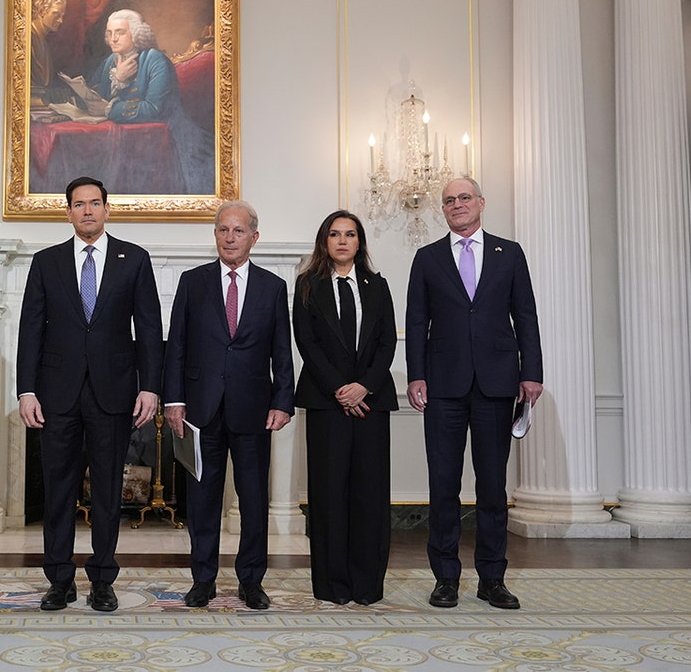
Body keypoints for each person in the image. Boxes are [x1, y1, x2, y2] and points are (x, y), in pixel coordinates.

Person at [17, 176, 163, 612]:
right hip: (56, 395)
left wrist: (150, 386)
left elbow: (149, 328)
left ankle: (102, 579)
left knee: (107, 491)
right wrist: (26, 390)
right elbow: (30, 329)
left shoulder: (134, 259)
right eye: (79, 204)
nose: (87, 211)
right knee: (58, 491)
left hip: (113, 393)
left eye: (94, 203)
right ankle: (59, 580)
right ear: (68, 212)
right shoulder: (46, 262)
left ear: (106, 209)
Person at [405, 177, 543, 610]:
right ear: (443, 209)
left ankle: (492, 579)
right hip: (443, 385)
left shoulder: (509, 253)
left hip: (497, 384)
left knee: (493, 486)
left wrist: (532, 373)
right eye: (449, 200)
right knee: (443, 484)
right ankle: (445, 578)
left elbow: (526, 315)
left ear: (481, 202)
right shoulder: (427, 258)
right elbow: (416, 321)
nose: (457, 204)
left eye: (464, 198)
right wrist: (416, 375)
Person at [164, 200, 294, 610]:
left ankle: (251, 582)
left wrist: (283, 401)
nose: (230, 238)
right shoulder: (193, 282)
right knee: (202, 501)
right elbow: (177, 345)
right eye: (223, 230)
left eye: (238, 231)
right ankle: (202, 580)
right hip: (200, 410)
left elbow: (282, 351)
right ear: (215, 235)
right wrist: (174, 400)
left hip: (254, 410)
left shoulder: (273, 287)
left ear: (254, 237)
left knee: (253, 500)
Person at [293, 210, 397, 606]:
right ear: (325, 241)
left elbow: (387, 341)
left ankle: (367, 586)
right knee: (329, 494)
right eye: (335, 234)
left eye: (350, 234)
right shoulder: (308, 285)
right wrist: (340, 389)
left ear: (359, 242)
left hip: (371, 403)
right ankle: (332, 586)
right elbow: (306, 342)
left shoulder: (377, 285)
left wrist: (363, 387)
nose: (342, 241)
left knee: (369, 495)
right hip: (326, 403)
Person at [89, 9, 215, 195]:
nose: (113, 38)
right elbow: (95, 96)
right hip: (130, 141)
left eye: (120, 32)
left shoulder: (155, 60)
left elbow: (153, 109)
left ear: (136, 33)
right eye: (110, 33)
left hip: (171, 141)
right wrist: (118, 78)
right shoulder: (110, 61)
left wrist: (109, 109)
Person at [30, 0, 69, 106]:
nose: (60, 21)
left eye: (62, 16)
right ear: (41, 10)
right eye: (56, 15)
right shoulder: (29, 38)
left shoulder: (42, 42)